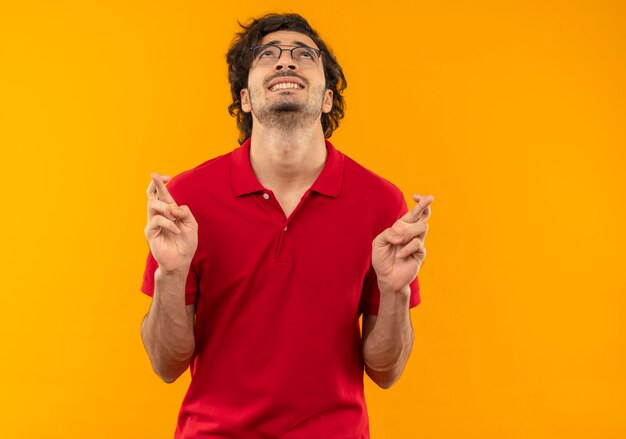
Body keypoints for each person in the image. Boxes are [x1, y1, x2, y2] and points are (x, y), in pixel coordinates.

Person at [140, 12, 434, 439]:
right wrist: (171, 272)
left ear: (328, 98)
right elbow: (166, 365)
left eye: (303, 55)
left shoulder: (380, 202)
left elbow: (386, 372)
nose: (285, 62)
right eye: (268, 55)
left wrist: (394, 291)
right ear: (244, 98)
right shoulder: (187, 199)